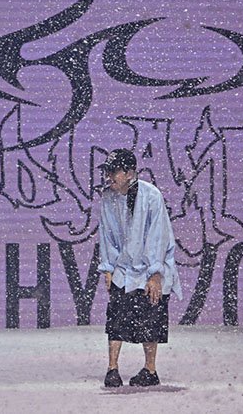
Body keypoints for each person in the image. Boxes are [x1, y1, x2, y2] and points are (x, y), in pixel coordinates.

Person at [97, 148, 182, 387]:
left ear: (129, 173)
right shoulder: (108, 198)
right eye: (107, 171)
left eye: (113, 171)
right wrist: (108, 268)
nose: (108, 176)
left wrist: (155, 273)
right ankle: (112, 368)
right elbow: (107, 234)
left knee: (150, 319)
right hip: (123, 268)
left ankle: (150, 369)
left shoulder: (151, 195)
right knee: (116, 319)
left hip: (149, 268)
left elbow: (158, 236)